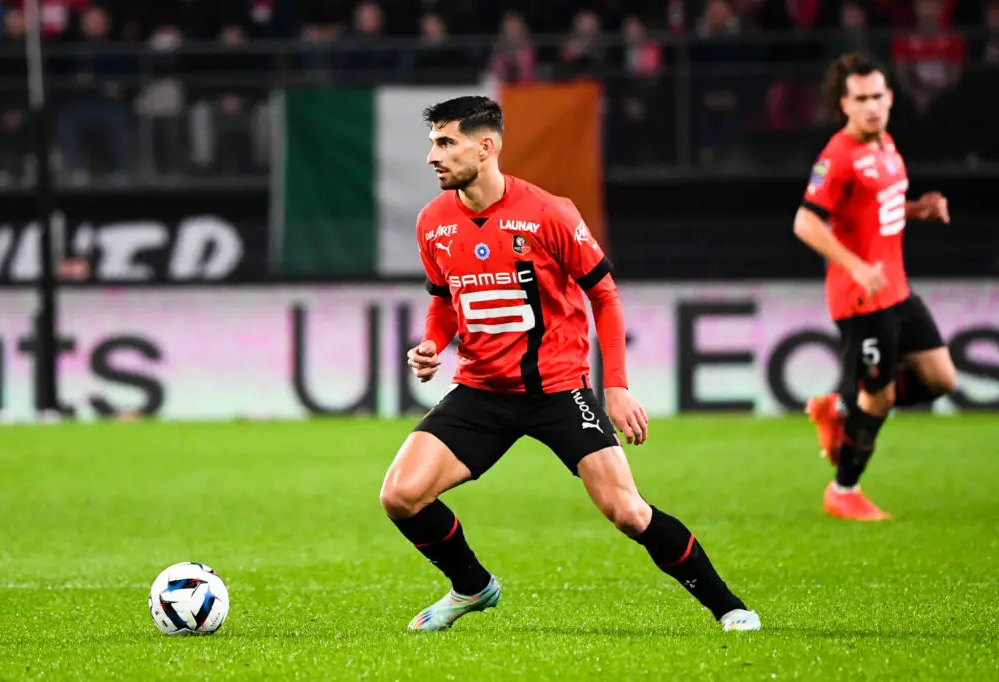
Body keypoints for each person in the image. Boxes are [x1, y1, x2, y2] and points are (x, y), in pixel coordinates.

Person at [379, 96, 760, 633]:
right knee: (400, 496)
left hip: (558, 390)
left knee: (629, 512)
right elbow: (444, 299)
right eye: (432, 143)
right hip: (481, 391)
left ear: (485, 148)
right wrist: (431, 343)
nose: (432, 157)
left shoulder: (548, 212)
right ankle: (472, 586)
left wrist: (617, 386)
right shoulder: (433, 222)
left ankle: (730, 607)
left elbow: (604, 295)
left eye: (446, 143)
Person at [794, 52, 956, 522]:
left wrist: (917, 210)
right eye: (861, 99)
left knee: (940, 379)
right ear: (844, 104)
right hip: (862, 298)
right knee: (880, 397)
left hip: (897, 289)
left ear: (890, 98)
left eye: (877, 96)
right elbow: (805, 222)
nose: (871, 106)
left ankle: (843, 406)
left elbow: (875, 206)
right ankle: (843, 490)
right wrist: (858, 267)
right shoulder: (837, 157)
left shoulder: (886, 145)